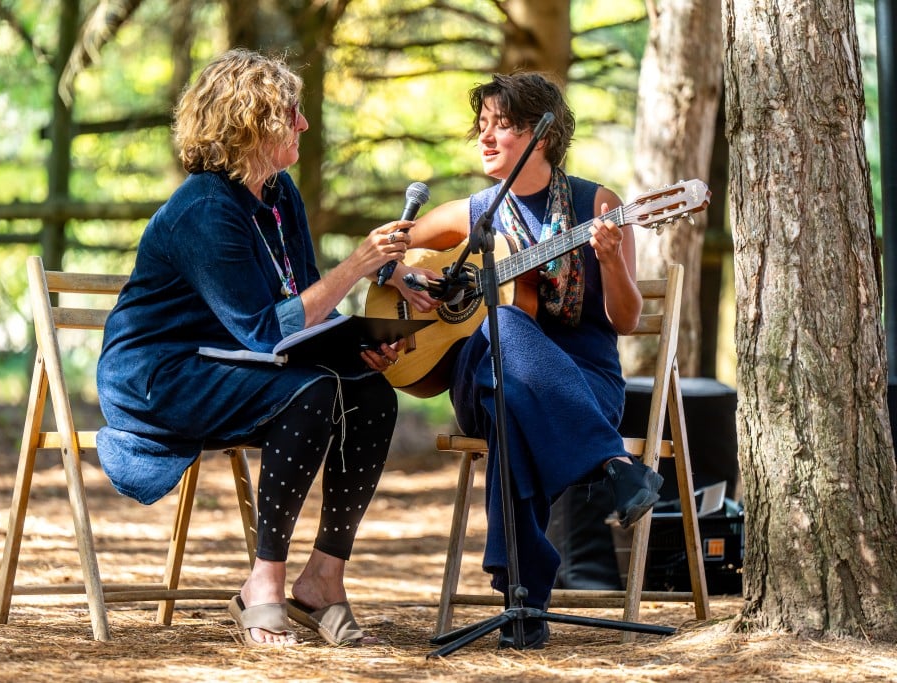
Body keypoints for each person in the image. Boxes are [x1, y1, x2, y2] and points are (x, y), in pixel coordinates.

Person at [94, 49, 412, 648]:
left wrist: (357, 349)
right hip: (159, 378)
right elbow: (267, 331)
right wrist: (360, 263)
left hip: (233, 363)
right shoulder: (203, 208)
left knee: (372, 395)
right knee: (311, 393)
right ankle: (262, 585)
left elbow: (303, 308)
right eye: (292, 112)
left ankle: (323, 579)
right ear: (252, 122)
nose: (304, 124)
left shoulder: (280, 193)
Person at [384, 72, 663, 649]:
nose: (485, 139)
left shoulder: (596, 206)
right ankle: (611, 464)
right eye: (481, 126)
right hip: (478, 370)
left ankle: (523, 599)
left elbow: (627, 321)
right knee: (503, 322)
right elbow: (388, 246)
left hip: (584, 383)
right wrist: (405, 274)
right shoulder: (476, 212)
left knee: (511, 409)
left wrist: (610, 262)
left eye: (502, 126)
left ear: (543, 134)